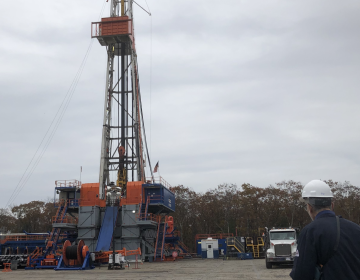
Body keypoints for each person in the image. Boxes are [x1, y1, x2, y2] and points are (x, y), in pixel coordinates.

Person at [290, 180, 360, 280]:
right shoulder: (356, 228)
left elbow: (301, 274)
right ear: (332, 205)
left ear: (309, 208)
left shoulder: (310, 231)